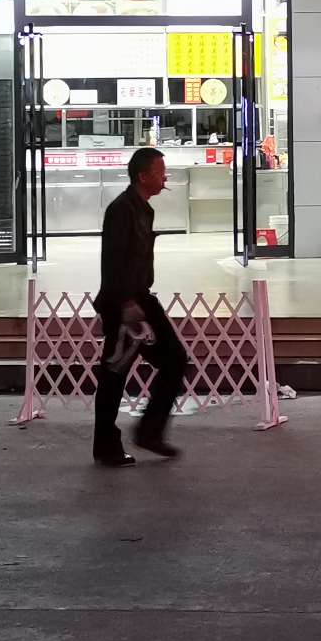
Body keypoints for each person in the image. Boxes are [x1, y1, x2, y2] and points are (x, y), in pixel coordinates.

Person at [92, 146, 190, 467]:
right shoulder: (121, 210)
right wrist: (126, 304)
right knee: (114, 374)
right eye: (160, 172)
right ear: (143, 176)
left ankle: (149, 431)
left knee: (174, 360)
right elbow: (113, 261)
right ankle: (107, 446)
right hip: (124, 305)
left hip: (141, 299)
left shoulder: (144, 210)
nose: (165, 178)